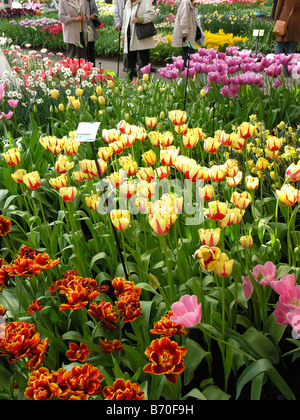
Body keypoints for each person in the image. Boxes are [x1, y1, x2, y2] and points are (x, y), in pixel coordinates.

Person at [122, 0, 156, 81]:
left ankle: (146, 82)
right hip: (129, 36)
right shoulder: (128, 3)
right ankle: (129, 82)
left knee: (144, 60)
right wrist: (123, 35)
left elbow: (152, 15)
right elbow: (125, 20)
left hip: (141, 36)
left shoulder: (145, 1)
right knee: (130, 61)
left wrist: (140, 19)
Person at [172, 0, 205, 66]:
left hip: (189, 31)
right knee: (188, 51)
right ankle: (187, 70)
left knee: (188, 51)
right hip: (187, 32)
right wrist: (185, 31)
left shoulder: (188, 2)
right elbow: (184, 18)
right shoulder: (186, 2)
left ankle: (187, 70)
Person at [114, 0, 129, 72]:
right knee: (126, 45)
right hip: (124, 25)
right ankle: (127, 66)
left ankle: (140, 67)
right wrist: (117, 23)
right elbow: (116, 12)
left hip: (134, 25)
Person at [86, 0, 100, 66]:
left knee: (91, 49)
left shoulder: (91, 1)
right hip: (83, 28)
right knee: (82, 50)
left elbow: (96, 12)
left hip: (91, 29)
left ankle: (92, 68)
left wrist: (93, 15)